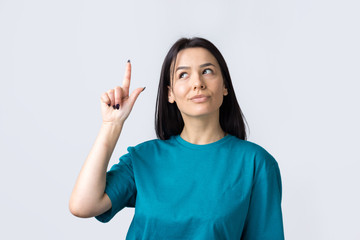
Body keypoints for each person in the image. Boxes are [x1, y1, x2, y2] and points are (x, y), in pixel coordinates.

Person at [69, 37, 285, 239]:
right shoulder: (143, 158)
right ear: (170, 93)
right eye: (183, 74)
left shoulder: (256, 164)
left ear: (225, 86)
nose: (197, 83)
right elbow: (83, 205)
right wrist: (112, 124)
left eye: (207, 71)